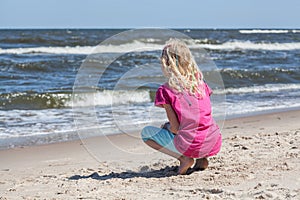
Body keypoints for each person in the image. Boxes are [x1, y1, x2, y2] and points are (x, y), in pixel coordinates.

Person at [141, 39, 222, 175]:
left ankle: (184, 159)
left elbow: (175, 128)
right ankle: (202, 159)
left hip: (192, 145)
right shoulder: (202, 84)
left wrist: (166, 127)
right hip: (212, 141)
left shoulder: (166, 90)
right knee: (198, 123)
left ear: (166, 63)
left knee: (146, 134)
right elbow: (199, 114)